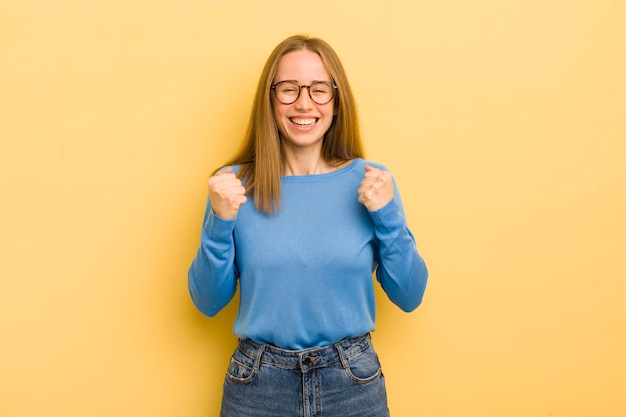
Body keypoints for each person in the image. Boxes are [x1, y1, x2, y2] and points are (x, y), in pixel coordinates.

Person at [188, 34, 428, 417]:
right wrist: (220, 222)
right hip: (257, 388)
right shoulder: (233, 186)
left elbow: (409, 295)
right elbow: (207, 302)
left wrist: (388, 217)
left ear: (336, 100)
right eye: (288, 89)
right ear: (269, 98)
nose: (304, 103)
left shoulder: (372, 182)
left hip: (352, 384)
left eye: (319, 90)